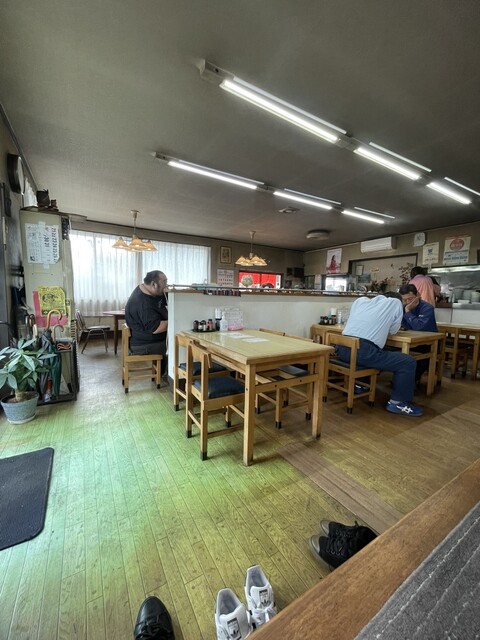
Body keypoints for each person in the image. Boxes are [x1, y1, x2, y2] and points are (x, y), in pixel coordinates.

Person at [340, 292, 423, 416]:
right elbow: (393, 330)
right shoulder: (395, 302)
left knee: (376, 352)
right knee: (407, 361)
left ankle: (359, 385)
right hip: (363, 352)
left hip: (342, 349)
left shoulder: (361, 301)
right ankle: (398, 403)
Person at [125, 270, 168, 372]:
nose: (166, 285)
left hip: (143, 339)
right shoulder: (142, 303)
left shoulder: (147, 290)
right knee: (176, 345)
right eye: (164, 282)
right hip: (144, 344)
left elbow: (165, 296)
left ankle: (163, 373)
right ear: (154, 284)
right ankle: (167, 376)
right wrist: (176, 320)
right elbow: (156, 328)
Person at [399, 283, 437, 384]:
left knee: (422, 356)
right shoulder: (401, 307)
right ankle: (400, 378)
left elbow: (419, 327)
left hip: (427, 342)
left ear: (417, 296)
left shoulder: (427, 308)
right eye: (404, 300)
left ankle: (409, 381)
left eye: (410, 299)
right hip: (408, 340)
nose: (407, 302)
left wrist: (407, 311)